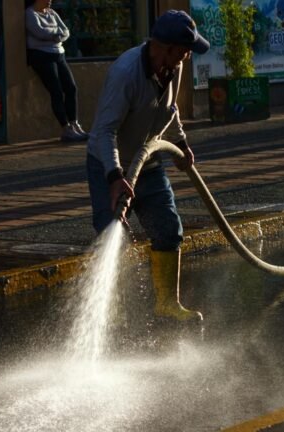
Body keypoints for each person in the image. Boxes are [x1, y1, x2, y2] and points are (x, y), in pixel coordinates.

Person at [86, 10, 210, 321]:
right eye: (183, 50)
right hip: (108, 164)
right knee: (112, 232)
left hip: (149, 162)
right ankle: (110, 312)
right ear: (164, 47)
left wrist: (180, 144)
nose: (187, 56)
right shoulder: (125, 74)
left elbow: (170, 109)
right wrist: (115, 176)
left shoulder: (173, 66)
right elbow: (105, 131)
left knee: (168, 229)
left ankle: (167, 304)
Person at [24, 0, 88, 142]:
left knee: (71, 88)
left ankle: (74, 123)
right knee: (56, 91)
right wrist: (56, 34)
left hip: (59, 54)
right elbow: (39, 32)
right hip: (42, 55)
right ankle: (65, 128)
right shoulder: (30, 14)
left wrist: (55, 35)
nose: (50, 1)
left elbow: (66, 31)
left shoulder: (51, 13)